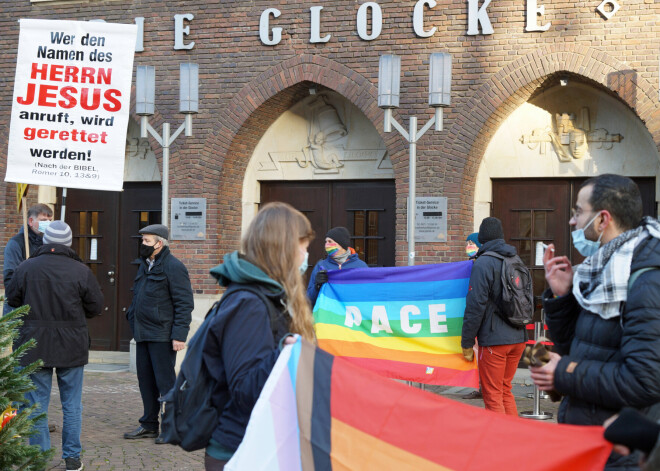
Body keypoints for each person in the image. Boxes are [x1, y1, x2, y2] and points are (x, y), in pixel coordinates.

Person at [530, 174, 660, 470]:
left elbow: (645, 381)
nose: (572, 222)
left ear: (603, 219)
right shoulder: (601, 269)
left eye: (578, 212)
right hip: (591, 442)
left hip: (622, 453)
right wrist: (563, 298)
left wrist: (563, 372)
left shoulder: (646, 278)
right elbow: (585, 348)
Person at [202, 202, 316, 470]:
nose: (306, 254)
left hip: (267, 443)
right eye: (304, 246)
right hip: (240, 450)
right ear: (284, 248)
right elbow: (244, 388)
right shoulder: (249, 304)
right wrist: (286, 351)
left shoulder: (274, 297)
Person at [6, 220, 103, 471]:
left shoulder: (27, 267)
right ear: (69, 244)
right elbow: (96, 307)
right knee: (72, 405)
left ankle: (40, 457)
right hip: (72, 345)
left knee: (36, 405)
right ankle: (72, 458)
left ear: (45, 241)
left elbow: (13, 299)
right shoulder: (81, 271)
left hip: (34, 344)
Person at [123, 224, 194, 443]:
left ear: (159, 243)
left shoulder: (174, 267)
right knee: (146, 382)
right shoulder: (145, 265)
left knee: (165, 384)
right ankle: (149, 424)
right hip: (143, 333)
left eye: (146, 241)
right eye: (142, 240)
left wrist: (179, 335)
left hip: (162, 335)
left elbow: (184, 303)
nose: (142, 244)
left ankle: (172, 427)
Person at [460, 217, 527, 415]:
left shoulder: (483, 263)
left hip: (495, 340)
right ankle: (514, 439)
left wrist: (466, 341)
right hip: (519, 336)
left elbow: (475, 305)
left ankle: (499, 442)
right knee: (506, 390)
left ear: (482, 238)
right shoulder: (516, 259)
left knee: (492, 395)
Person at [3, 203, 53, 315]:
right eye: (44, 220)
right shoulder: (16, 244)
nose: (48, 224)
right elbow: (10, 278)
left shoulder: (48, 244)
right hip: (18, 310)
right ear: (31, 221)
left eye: (50, 220)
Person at [306, 226, 368, 305]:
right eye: (326, 241)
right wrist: (317, 286)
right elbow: (308, 300)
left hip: (352, 314)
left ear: (341, 244)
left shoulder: (360, 266)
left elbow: (367, 294)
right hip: (328, 314)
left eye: (330, 241)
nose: (326, 245)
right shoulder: (321, 265)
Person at [461, 232, 483, 400]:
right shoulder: (470, 264)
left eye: (472, 242)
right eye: (467, 242)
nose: (469, 246)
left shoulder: (480, 265)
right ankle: (480, 386)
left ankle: (485, 387)